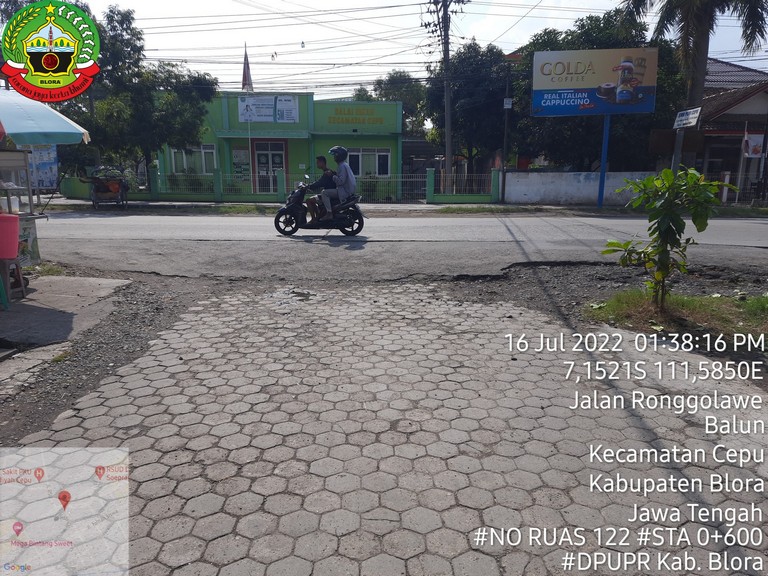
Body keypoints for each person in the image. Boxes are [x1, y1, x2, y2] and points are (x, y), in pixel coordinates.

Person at [319, 145, 356, 221]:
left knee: (324, 193)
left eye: (335, 155)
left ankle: (329, 213)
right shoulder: (344, 165)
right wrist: (334, 174)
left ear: (340, 156)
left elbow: (341, 181)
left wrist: (332, 175)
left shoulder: (341, 166)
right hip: (346, 190)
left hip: (344, 191)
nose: (334, 157)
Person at [306, 155, 335, 222]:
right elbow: (320, 182)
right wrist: (311, 185)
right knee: (312, 199)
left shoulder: (327, 172)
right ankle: (318, 216)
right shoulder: (327, 171)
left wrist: (310, 186)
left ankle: (314, 219)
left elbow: (320, 183)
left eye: (318, 162)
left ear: (322, 162)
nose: (317, 164)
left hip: (328, 194)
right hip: (327, 193)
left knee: (308, 200)